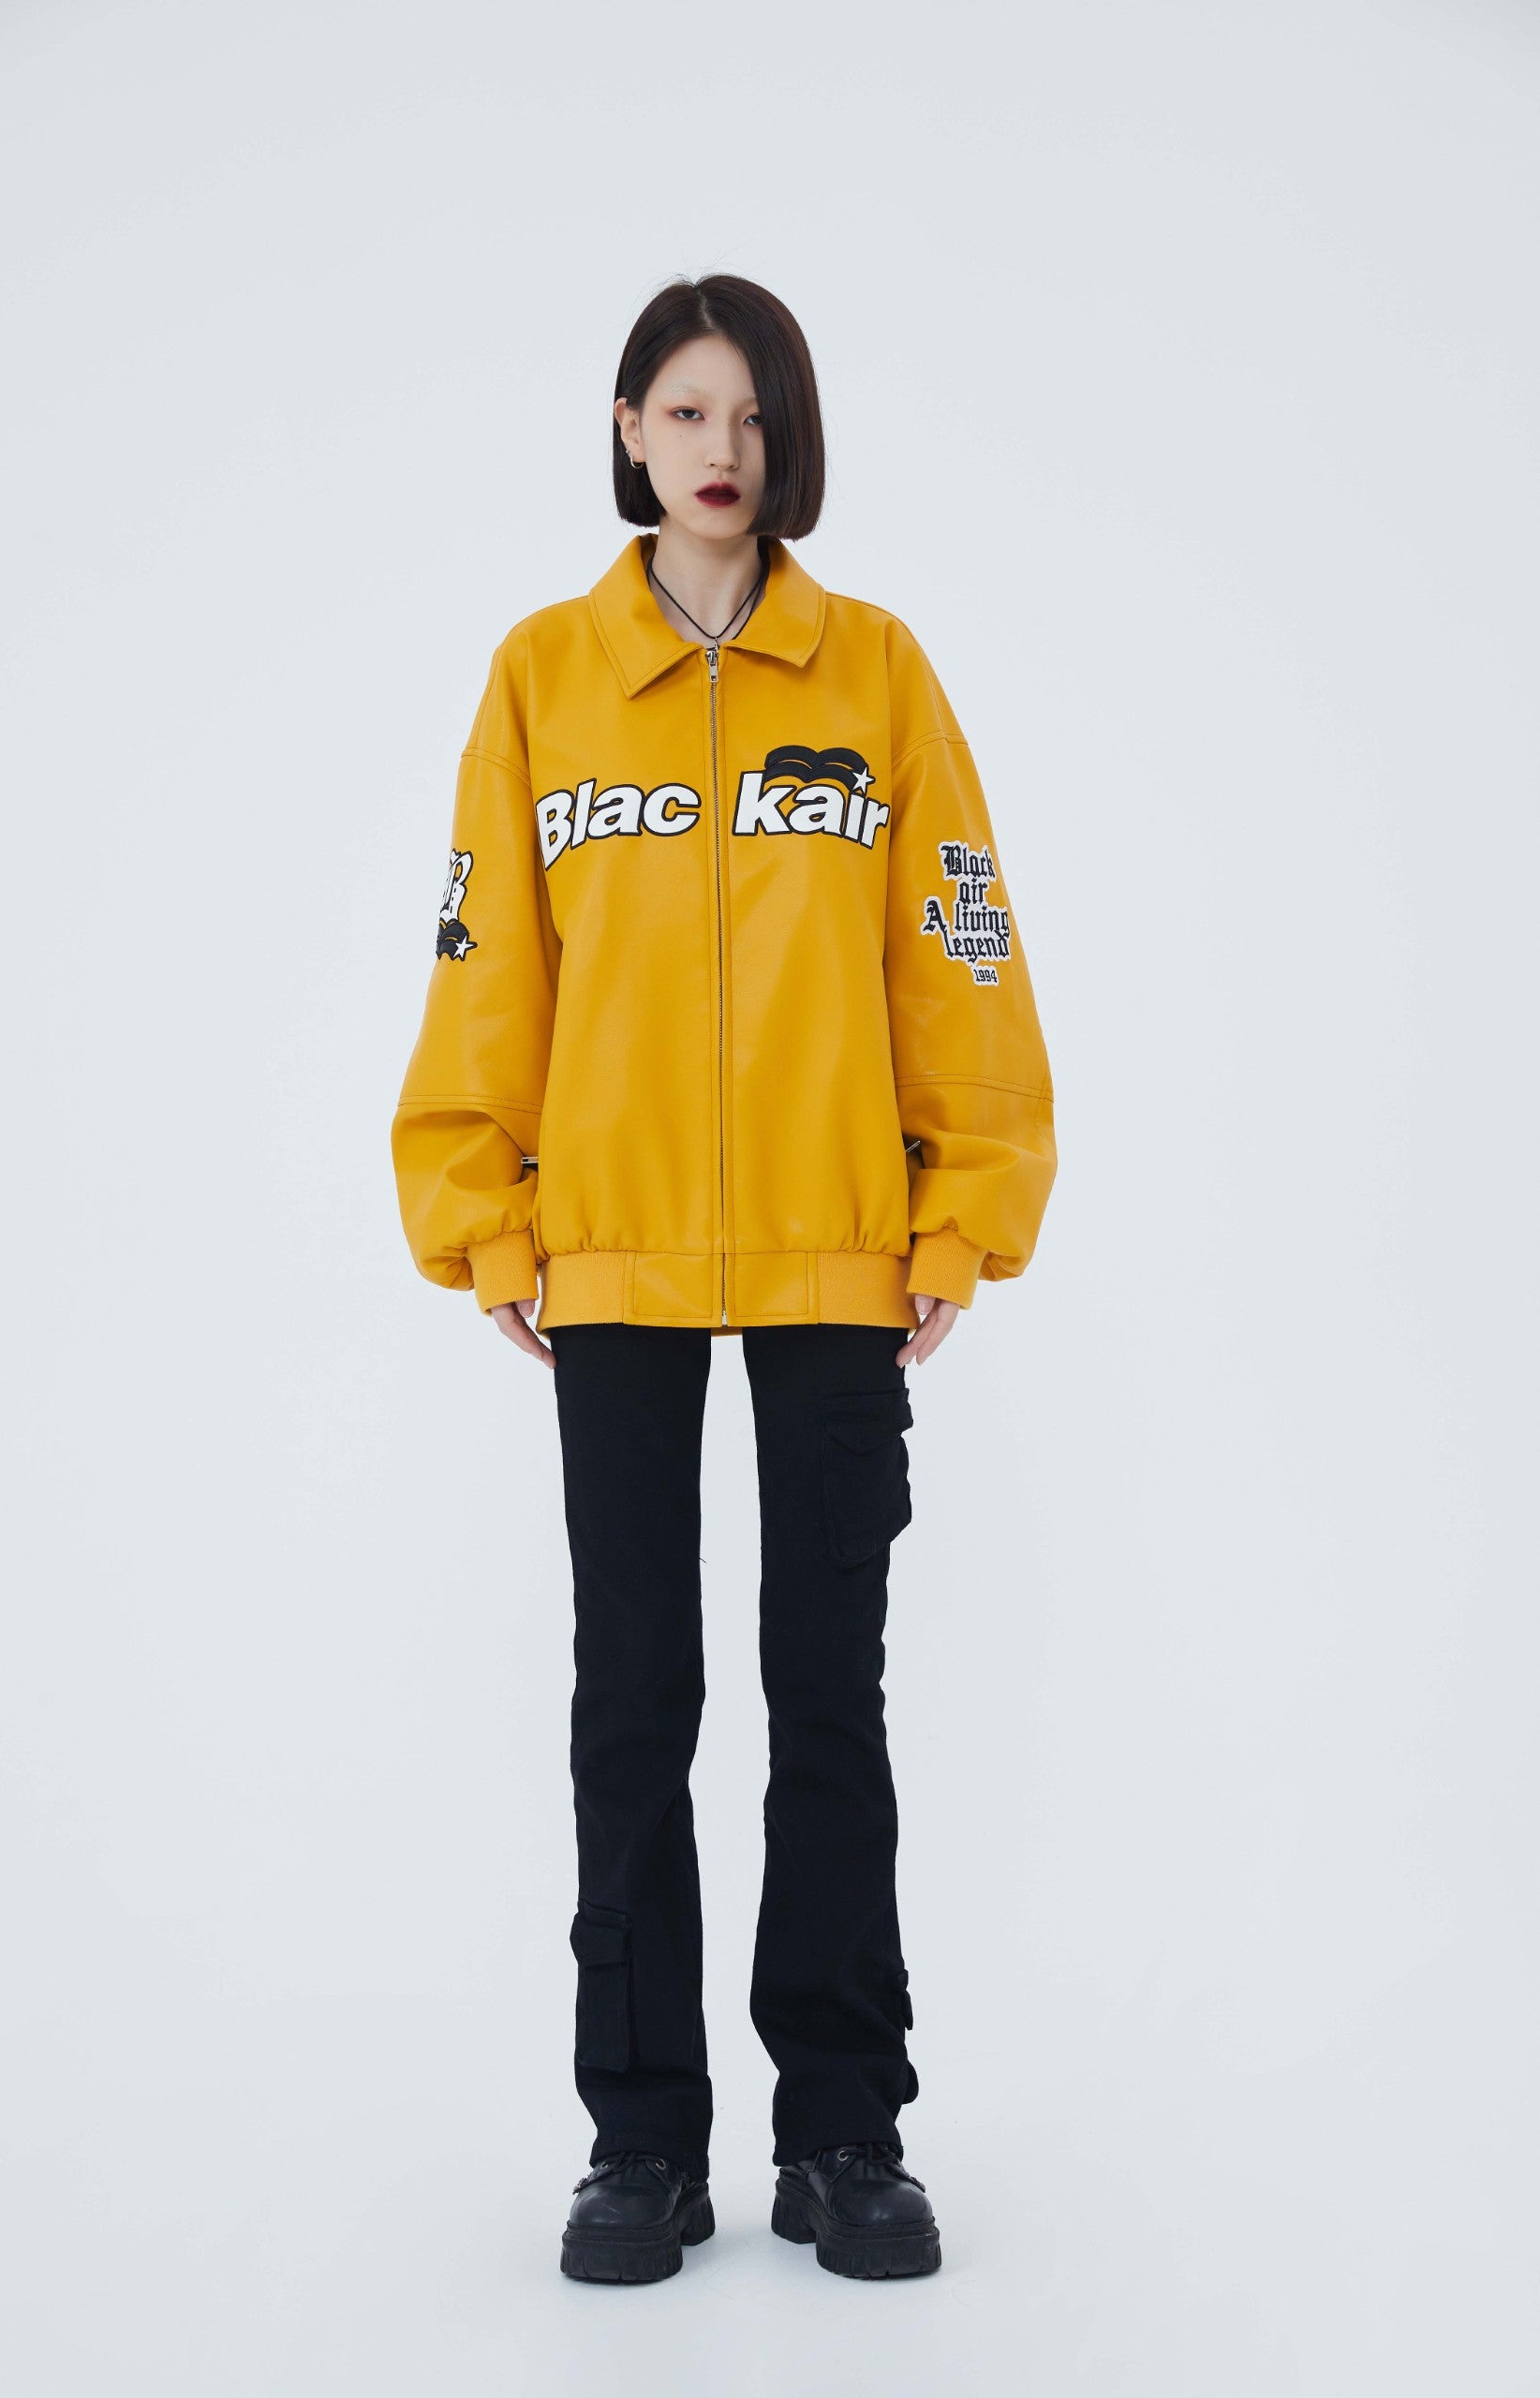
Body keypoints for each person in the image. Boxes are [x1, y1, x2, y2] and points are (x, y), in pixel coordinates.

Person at [391, 274, 1058, 2285]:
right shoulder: (541, 677)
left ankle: (843, 2131)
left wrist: (958, 1211)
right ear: (626, 429)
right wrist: (486, 1212)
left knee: (824, 1697)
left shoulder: (875, 674)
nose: (721, 449)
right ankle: (640, 2141)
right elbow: (485, 956)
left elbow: (956, 946)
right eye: (686, 411)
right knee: (634, 1700)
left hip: (838, 1259)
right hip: (609, 1258)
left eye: (753, 416)